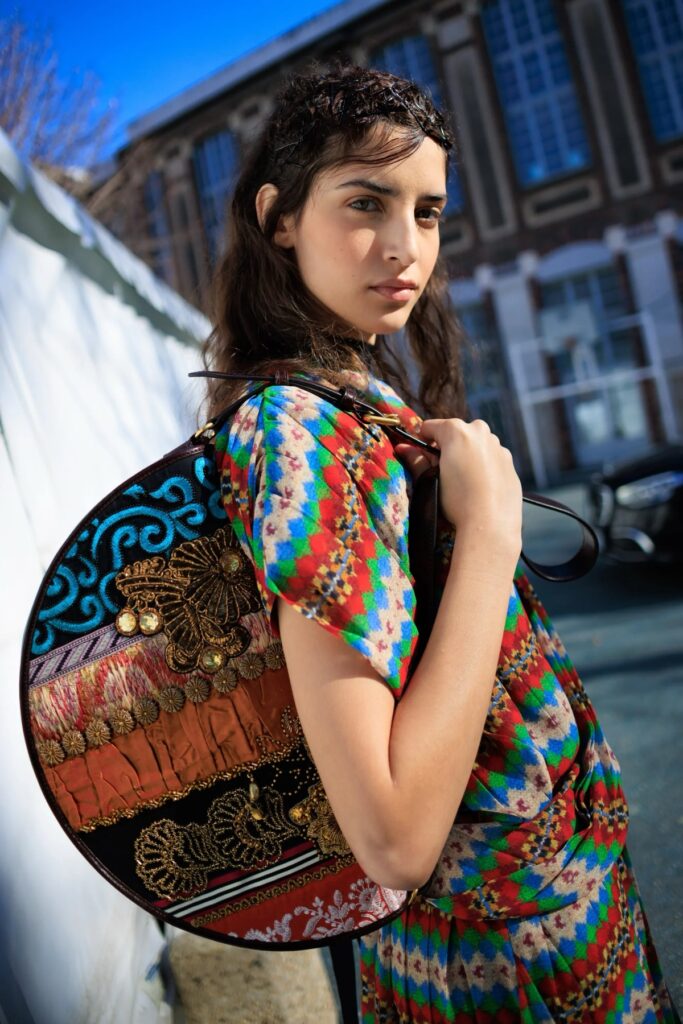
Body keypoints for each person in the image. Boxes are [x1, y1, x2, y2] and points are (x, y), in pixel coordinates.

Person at [203, 60, 678, 1024]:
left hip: (546, 927)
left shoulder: (351, 398)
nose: (404, 247)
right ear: (278, 216)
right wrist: (492, 531)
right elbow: (394, 837)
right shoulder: (299, 435)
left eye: (426, 213)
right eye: (365, 203)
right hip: (496, 969)